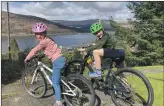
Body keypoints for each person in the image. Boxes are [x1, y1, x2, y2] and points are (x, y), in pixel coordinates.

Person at [24, 22, 65, 106]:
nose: (39, 36)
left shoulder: (43, 42)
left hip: (57, 61)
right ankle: (61, 90)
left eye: (41, 33)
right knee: (53, 76)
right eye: (37, 34)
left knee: (55, 83)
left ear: (44, 33)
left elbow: (34, 50)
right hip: (60, 59)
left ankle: (58, 102)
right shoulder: (49, 39)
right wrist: (43, 54)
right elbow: (50, 49)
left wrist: (27, 58)